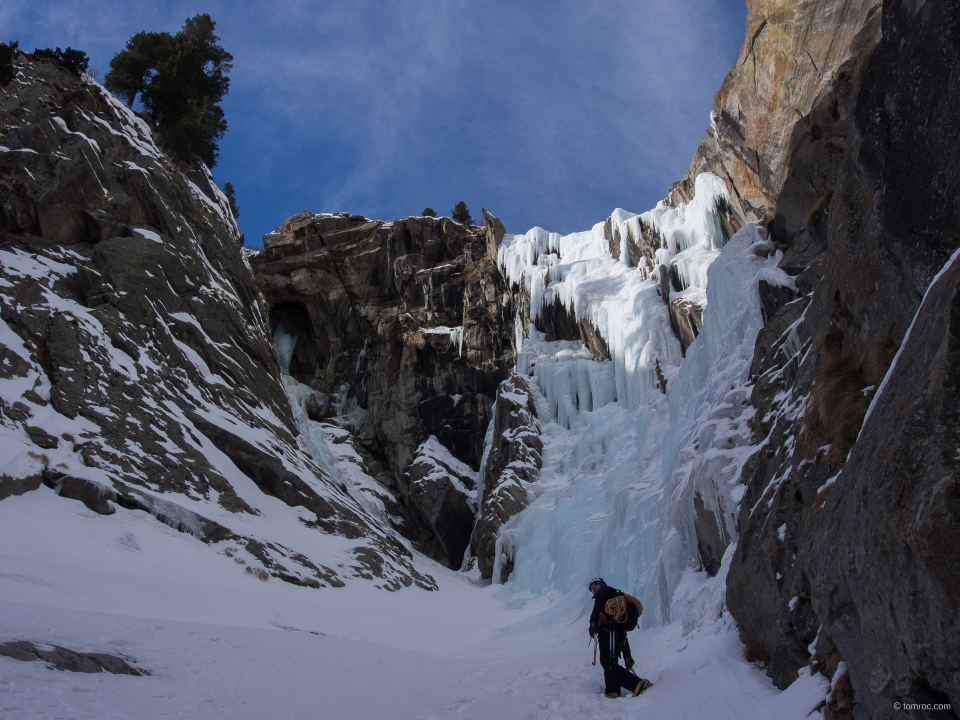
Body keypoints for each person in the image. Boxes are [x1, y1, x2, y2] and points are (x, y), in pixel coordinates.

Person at [588, 577, 653, 698]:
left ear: (602, 585)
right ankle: (631, 685)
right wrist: (627, 655)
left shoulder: (604, 592)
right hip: (614, 633)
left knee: (608, 662)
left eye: (596, 585)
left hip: (608, 632)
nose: (594, 589)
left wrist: (592, 624)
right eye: (592, 588)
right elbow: (622, 633)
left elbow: (597, 608)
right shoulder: (612, 598)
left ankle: (618, 689)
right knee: (609, 661)